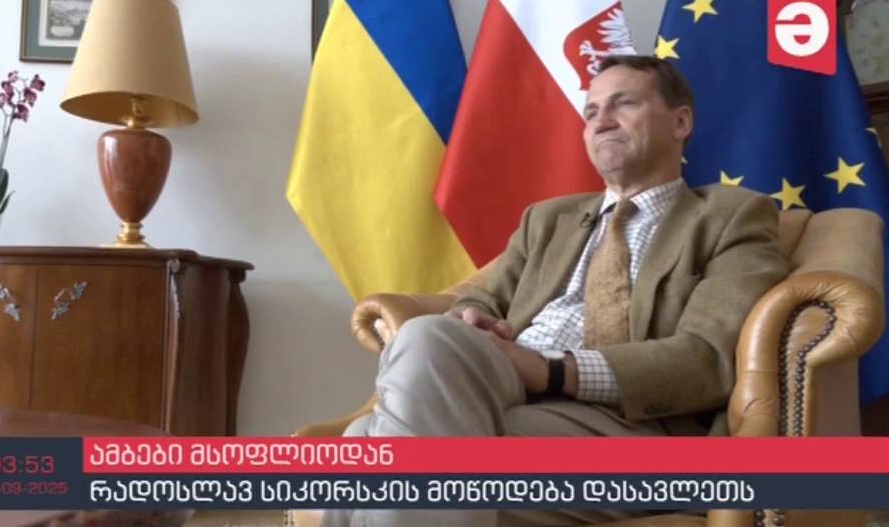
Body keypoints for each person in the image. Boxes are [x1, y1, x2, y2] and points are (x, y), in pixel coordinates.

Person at [322, 55, 789, 527]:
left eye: (623, 104)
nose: (602, 121)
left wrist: (551, 371)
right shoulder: (547, 220)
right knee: (427, 345)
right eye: (591, 112)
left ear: (681, 122)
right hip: (506, 388)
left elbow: (708, 359)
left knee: (368, 447)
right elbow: (483, 298)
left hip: (634, 426)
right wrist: (473, 318)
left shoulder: (731, 217)